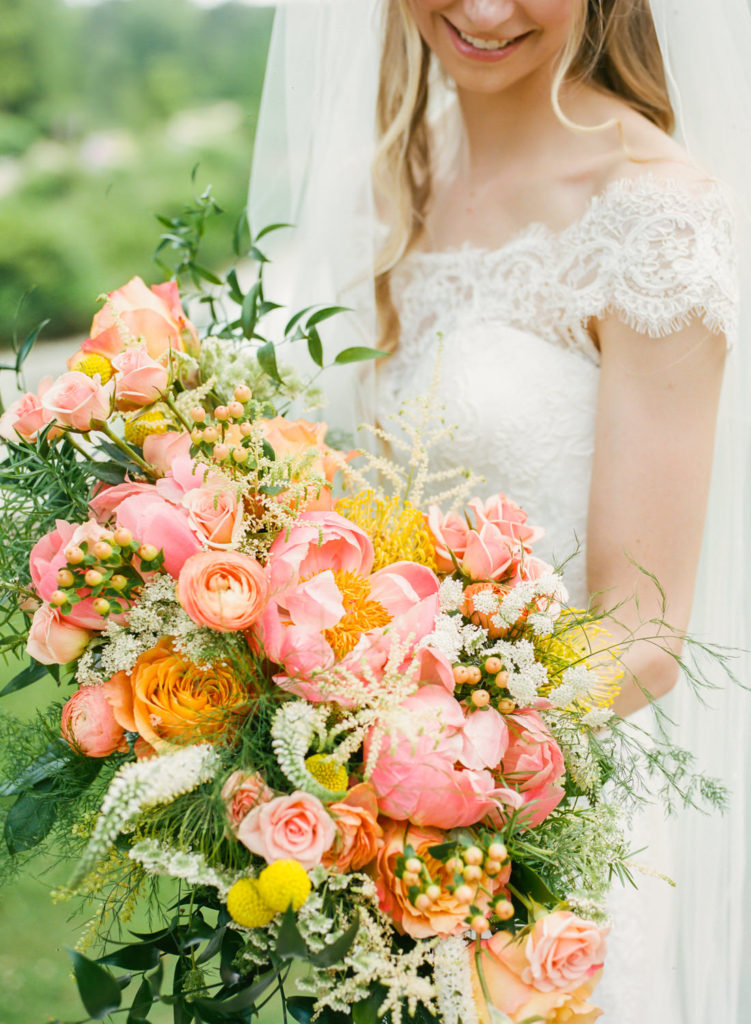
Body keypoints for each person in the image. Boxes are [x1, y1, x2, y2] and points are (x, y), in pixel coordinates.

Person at [249, 1, 751, 1021]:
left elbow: (644, 633)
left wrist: (419, 773)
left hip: (550, 820)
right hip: (383, 816)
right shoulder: (396, 166)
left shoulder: (653, 220)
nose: (482, 9)